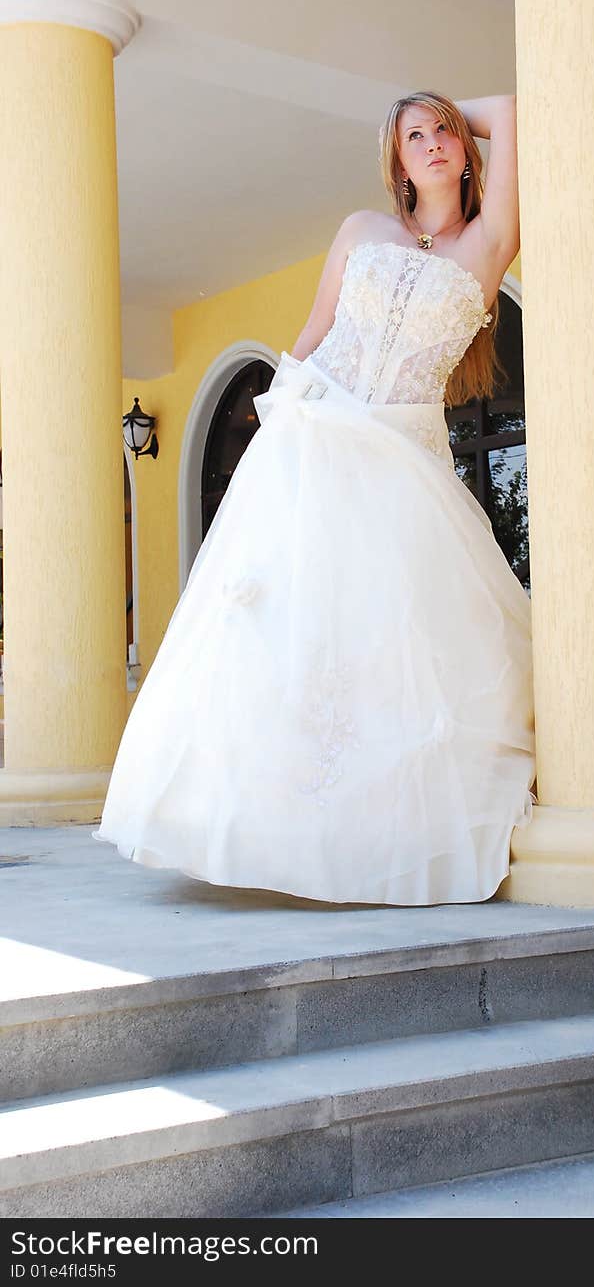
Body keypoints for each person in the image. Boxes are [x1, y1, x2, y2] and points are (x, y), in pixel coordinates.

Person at [94, 90, 537, 906]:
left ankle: (373, 835)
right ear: (394, 160)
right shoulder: (360, 231)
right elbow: (310, 336)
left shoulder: (487, 243)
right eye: (415, 136)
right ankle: (262, 827)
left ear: (467, 150)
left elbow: (508, 107)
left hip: (403, 453)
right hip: (316, 432)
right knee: (284, 629)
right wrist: (275, 431)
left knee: (390, 638)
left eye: (444, 132)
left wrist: (446, 102)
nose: (435, 143)